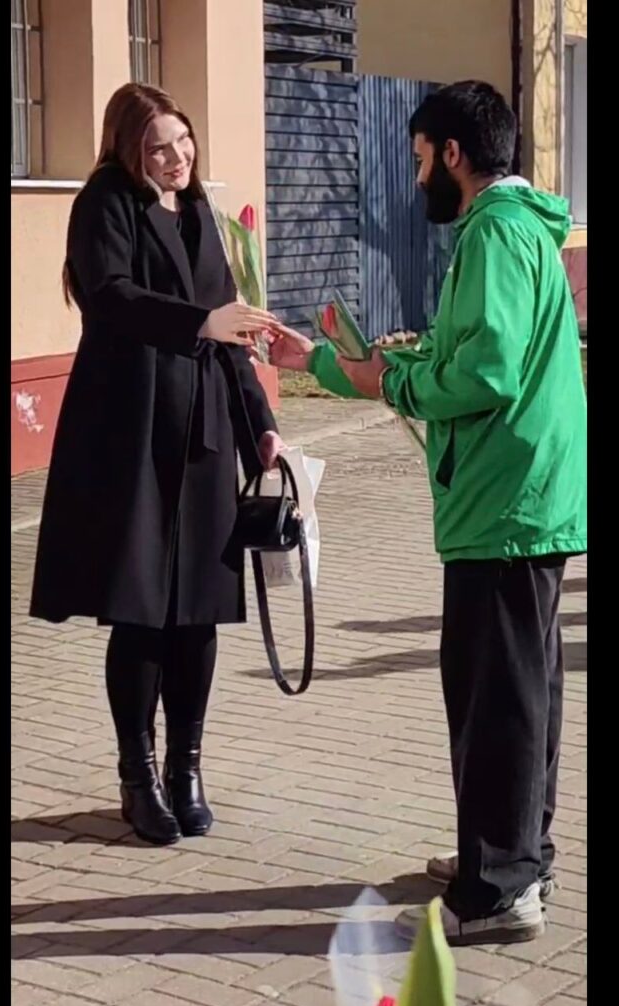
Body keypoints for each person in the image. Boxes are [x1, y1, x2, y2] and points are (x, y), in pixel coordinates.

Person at [270, 81, 587, 945]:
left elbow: (484, 374)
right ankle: (514, 852)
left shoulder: (493, 233)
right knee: (522, 693)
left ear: (453, 153)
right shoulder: (522, 229)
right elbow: (470, 354)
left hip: (504, 503)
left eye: (418, 161)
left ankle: (500, 888)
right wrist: (342, 363)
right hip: (523, 499)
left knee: (497, 703)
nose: (416, 182)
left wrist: (398, 381)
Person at [30, 83, 285, 847]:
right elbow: (110, 296)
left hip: (204, 432)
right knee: (142, 609)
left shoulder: (200, 210)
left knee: (199, 608)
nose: (176, 158)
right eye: (157, 148)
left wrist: (261, 428)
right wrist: (201, 321)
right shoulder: (105, 202)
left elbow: (230, 331)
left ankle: (186, 769)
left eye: (182, 141)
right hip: (131, 429)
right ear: (127, 149)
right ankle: (138, 778)